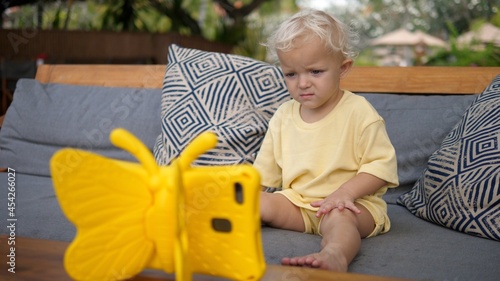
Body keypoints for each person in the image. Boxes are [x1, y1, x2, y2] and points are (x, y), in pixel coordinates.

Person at [253, 9, 399, 271]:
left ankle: (334, 256)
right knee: (255, 202)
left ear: (343, 68)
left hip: (354, 205)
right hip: (299, 205)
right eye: (291, 74)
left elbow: (381, 168)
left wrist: (344, 194)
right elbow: (262, 178)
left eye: (315, 71)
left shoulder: (359, 111)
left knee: (340, 217)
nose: (303, 83)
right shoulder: (283, 116)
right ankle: (207, 230)